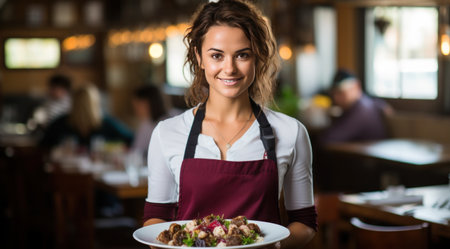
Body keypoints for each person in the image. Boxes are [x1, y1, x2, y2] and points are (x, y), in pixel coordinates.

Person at [143, 1, 316, 248]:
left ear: (258, 57)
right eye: (216, 55)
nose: (230, 68)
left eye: (242, 55)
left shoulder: (291, 132)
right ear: (199, 58)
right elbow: (154, 219)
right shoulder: (167, 133)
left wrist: (272, 246)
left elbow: (305, 223)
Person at [40, 83, 133, 151]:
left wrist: (111, 148)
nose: (83, 108)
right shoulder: (61, 123)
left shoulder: (106, 123)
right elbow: (44, 145)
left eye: (86, 104)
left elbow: (131, 140)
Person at [318, 69, 391, 145]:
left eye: (341, 92)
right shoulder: (367, 103)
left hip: (366, 155)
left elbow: (329, 138)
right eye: (334, 94)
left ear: (357, 86)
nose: (336, 98)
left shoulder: (361, 110)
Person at [130, 84, 169, 156]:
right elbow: (137, 150)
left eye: (138, 106)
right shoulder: (146, 124)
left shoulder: (170, 121)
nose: (136, 110)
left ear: (150, 103)